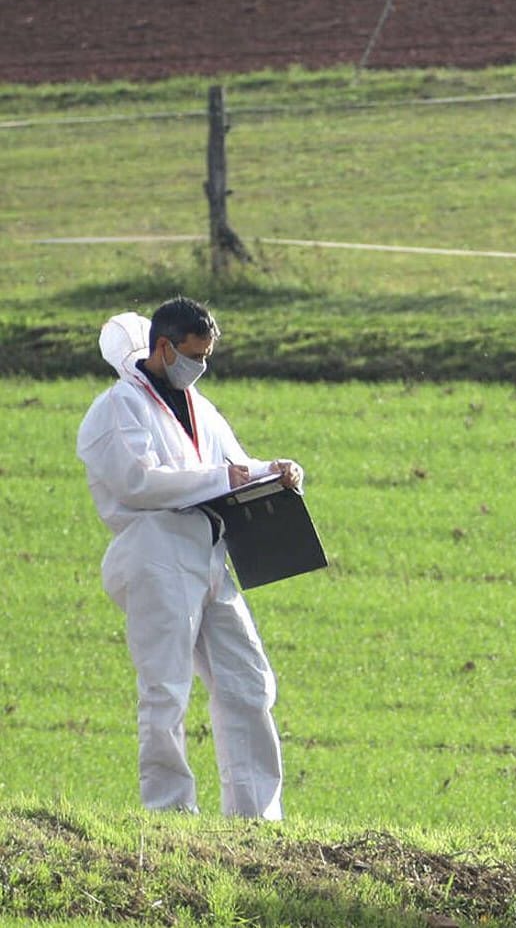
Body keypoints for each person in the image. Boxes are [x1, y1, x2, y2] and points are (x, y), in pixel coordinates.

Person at [76, 297, 303, 819]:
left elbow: (235, 464)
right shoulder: (118, 407)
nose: (199, 365)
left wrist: (278, 470)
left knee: (249, 680)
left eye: (206, 356)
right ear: (164, 346)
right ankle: (169, 810)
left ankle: (255, 818)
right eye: (193, 354)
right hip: (155, 550)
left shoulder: (199, 404)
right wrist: (224, 478)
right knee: (165, 687)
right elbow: (139, 482)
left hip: (209, 553)